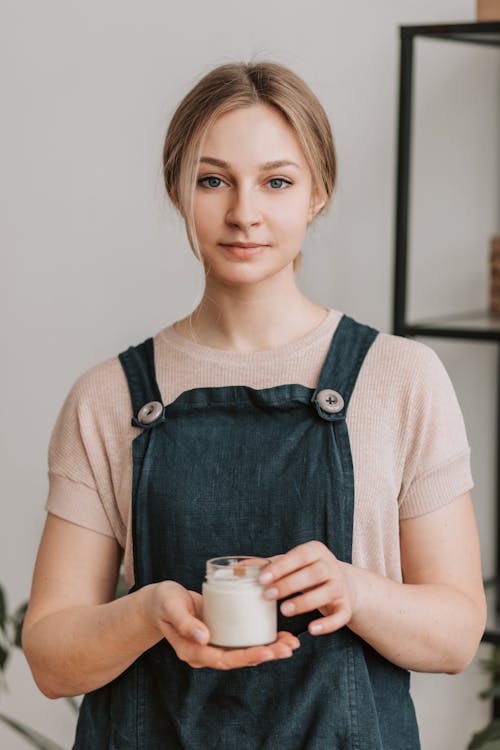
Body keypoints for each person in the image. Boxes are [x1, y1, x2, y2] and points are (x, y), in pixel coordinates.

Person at [22, 60, 486, 749]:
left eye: (277, 181)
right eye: (213, 180)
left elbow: (455, 637)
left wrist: (352, 589)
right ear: (178, 190)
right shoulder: (109, 397)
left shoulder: (401, 379)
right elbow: (52, 659)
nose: (244, 212)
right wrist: (149, 613)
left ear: (318, 192)